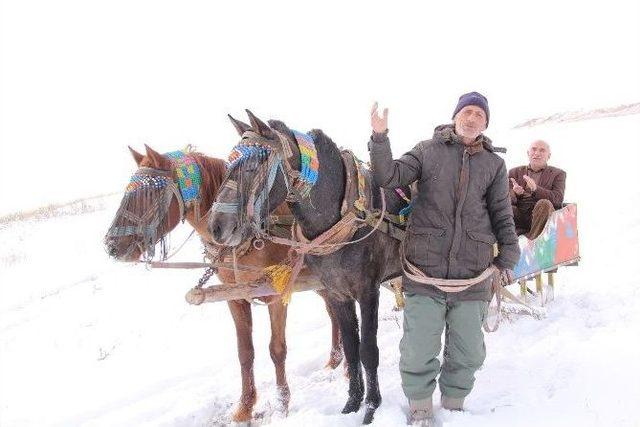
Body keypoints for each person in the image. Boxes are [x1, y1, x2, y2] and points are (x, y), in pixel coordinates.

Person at [368, 92, 520, 426]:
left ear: (486, 123)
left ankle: (453, 408)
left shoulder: (494, 164)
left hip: (474, 271)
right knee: (419, 347)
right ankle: (420, 408)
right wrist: (380, 138)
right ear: (455, 117)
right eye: (467, 111)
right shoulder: (426, 150)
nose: (472, 118)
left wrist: (508, 254)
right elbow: (388, 177)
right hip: (426, 269)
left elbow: (501, 212)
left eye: (480, 115)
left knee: (468, 350)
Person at [509, 140, 566, 239]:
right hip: (520, 212)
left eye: (542, 150)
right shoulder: (514, 172)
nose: (537, 153)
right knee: (495, 204)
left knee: (544, 204)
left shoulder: (558, 174)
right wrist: (515, 193)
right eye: (534, 149)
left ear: (549, 156)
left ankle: (531, 241)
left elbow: (558, 200)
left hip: (541, 214)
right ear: (528, 153)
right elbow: (503, 198)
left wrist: (536, 189)